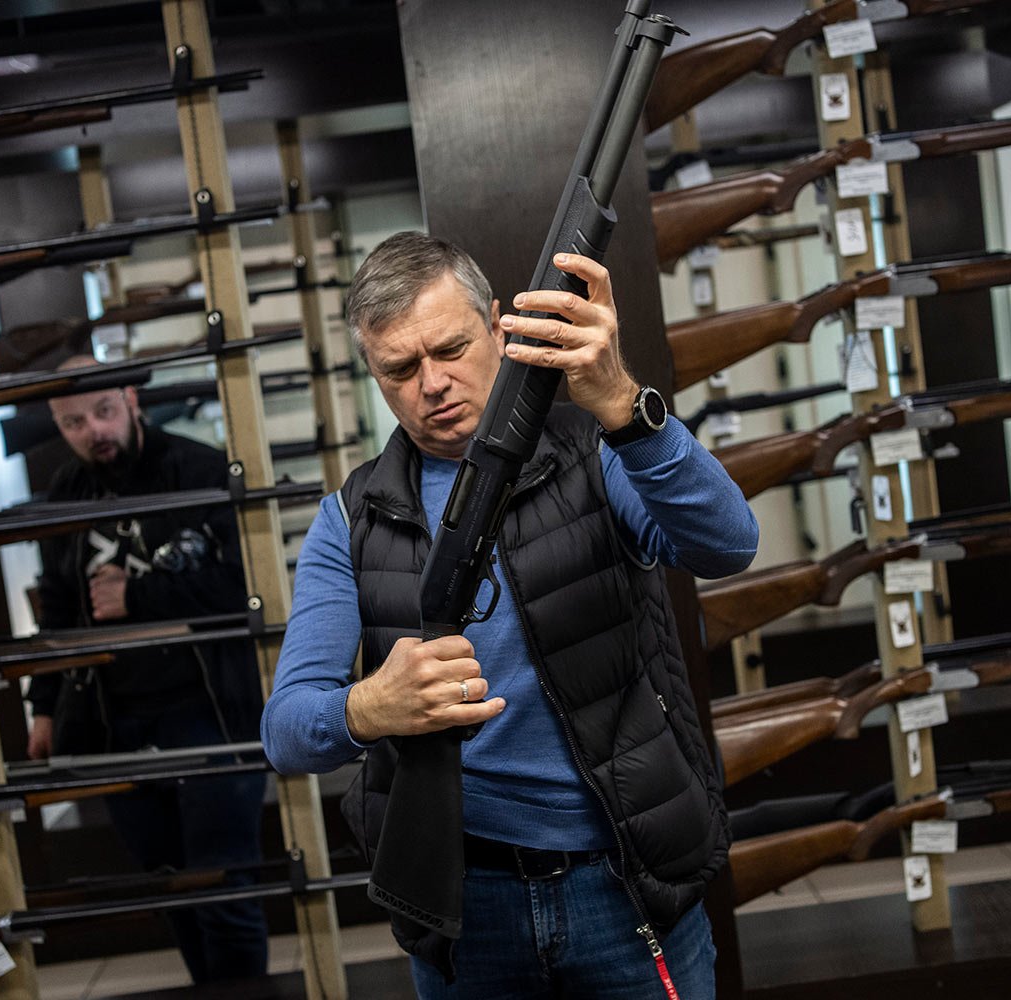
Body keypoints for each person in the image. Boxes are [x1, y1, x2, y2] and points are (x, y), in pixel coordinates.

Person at [262, 232, 758, 999]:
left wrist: (625, 406)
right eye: (400, 368)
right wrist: (369, 706)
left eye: (451, 348)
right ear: (374, 375)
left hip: (622, 880)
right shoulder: (349, 519)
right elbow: (288, 730)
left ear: (498, 327)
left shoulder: (595, 452)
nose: (433, 383)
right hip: (463, 901)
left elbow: (729, 544)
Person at [25, 360, 270, 984]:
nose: (93, 431)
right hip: (116, 723)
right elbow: (57, 607)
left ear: (132, 398)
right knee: (173, 895)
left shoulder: (203, 470)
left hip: (208, 713)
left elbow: (248, 585)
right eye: (73, 422)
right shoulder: (65, 494)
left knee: (224, 889)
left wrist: (139, 599)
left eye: (103, 411)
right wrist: (44, 709)